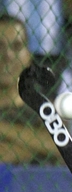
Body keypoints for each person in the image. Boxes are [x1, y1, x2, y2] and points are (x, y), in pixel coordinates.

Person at [0, 13, 61, 164]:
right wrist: (35, 148)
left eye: (16, 47)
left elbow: (62, 147)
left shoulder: (43, 108)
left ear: (28, 57)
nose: (7, 55)